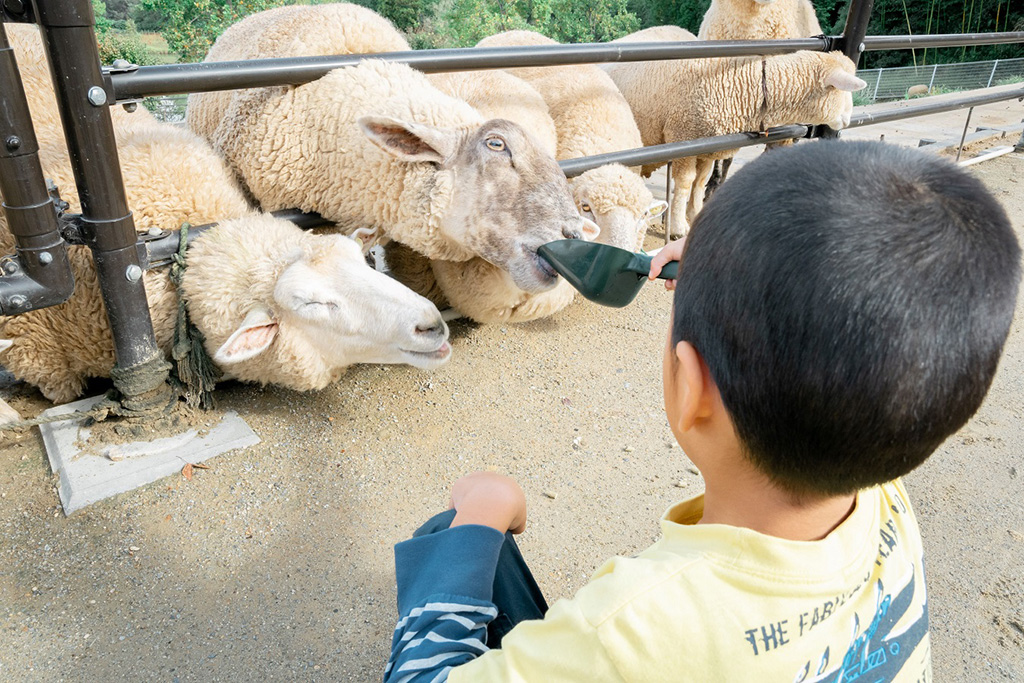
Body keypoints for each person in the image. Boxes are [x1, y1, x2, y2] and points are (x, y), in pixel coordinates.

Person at [383, 140, 1022, 681]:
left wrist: (486, 508)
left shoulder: (635, 625)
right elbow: (865, 331)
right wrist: (732, 271)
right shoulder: (883, 485)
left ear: (691, 390)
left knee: (454, 534)